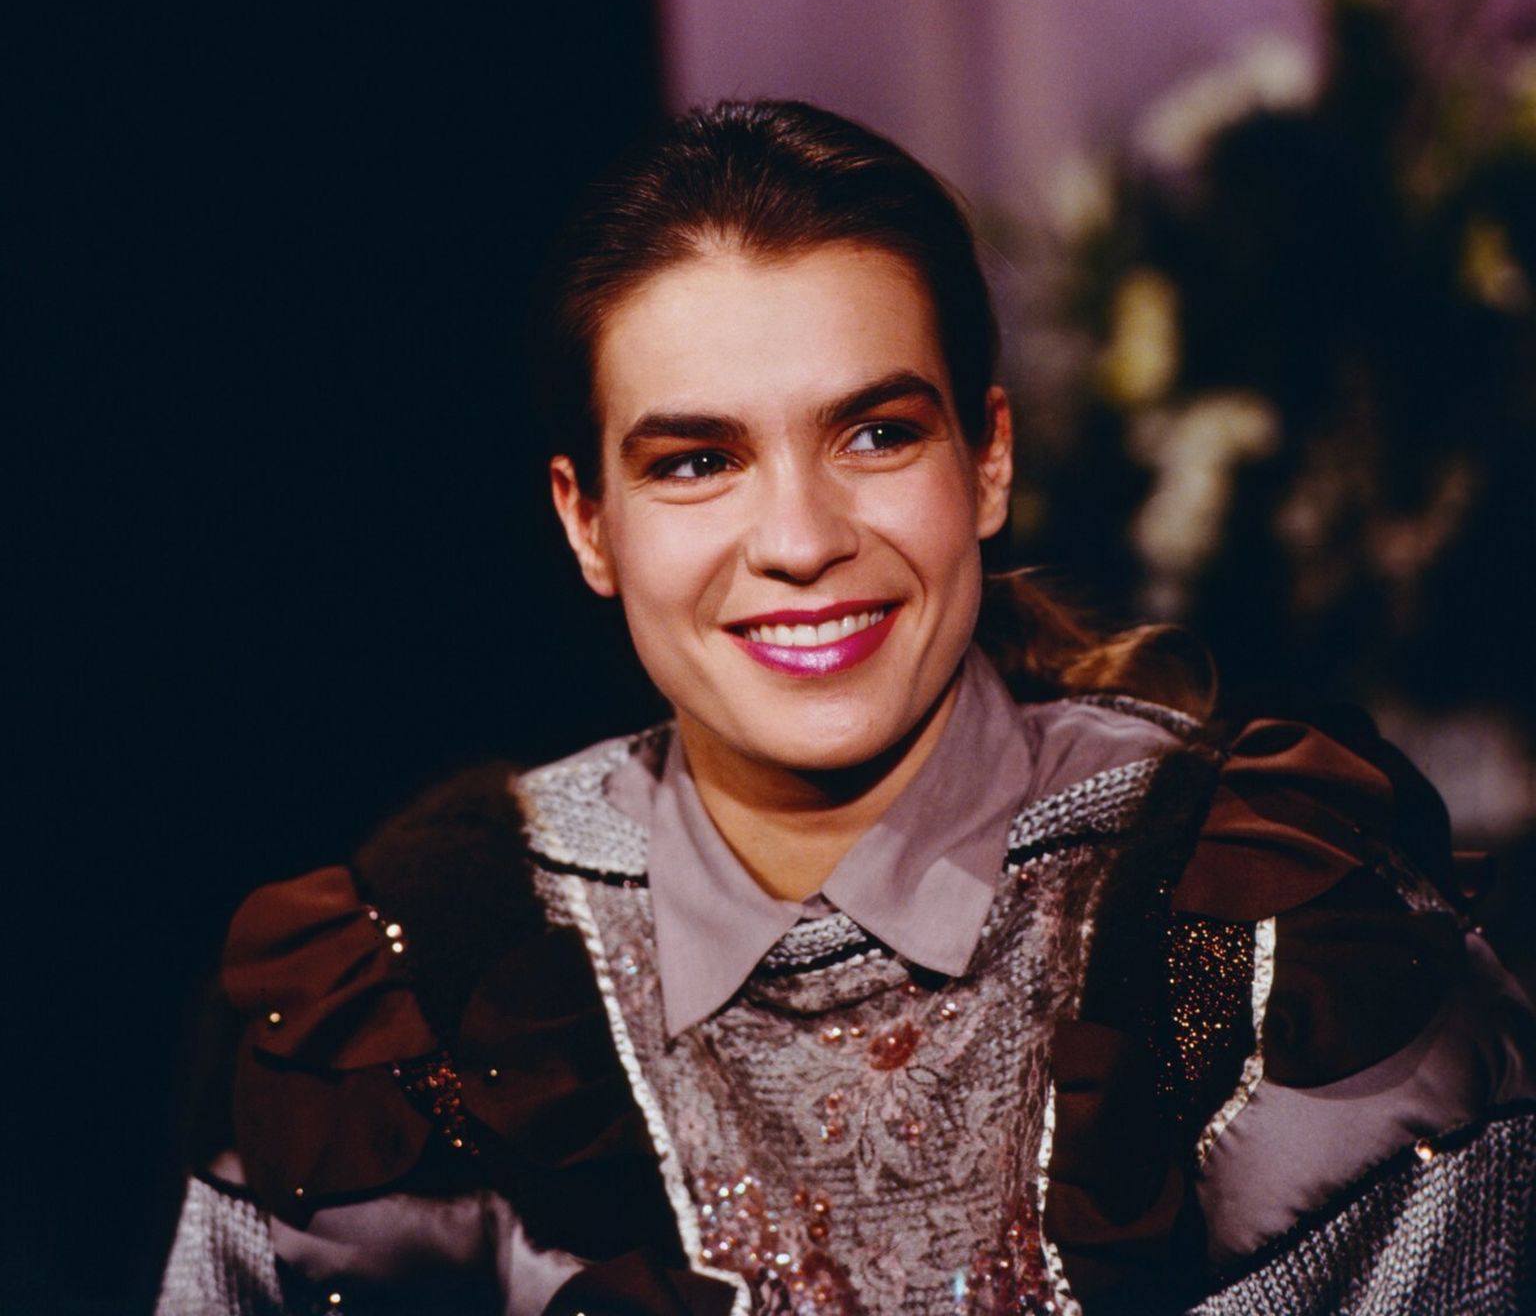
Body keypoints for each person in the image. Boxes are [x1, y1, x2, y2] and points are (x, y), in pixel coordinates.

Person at [159, 100, 1536, 1316]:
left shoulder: (1275, 944)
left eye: (877, 434)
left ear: (987, 460)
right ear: (588, 523)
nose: (802, 539)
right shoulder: (416, 986)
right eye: (697, 461)